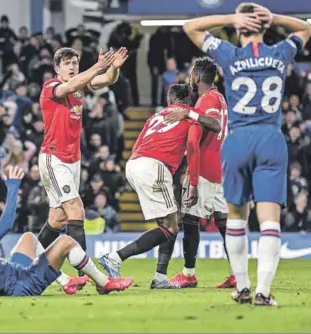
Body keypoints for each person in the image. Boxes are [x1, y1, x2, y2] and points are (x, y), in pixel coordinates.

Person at [181, 2, 311, 306]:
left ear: (239, 27)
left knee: (237, 219)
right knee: (270, 223)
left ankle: (242, 287)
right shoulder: (280, 53)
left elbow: (191, 27)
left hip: (237, 139)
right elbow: (306, 28)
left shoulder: (229, 54)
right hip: (270, 137)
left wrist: (230, 18)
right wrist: (276, 18)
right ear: (265, 27)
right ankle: (263, 293)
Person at [0, 167, 133, 296]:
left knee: (28, 238)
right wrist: (12, 188)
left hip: (13, 274)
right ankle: (104, 283)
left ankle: (65, 281)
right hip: (23, 285)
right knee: (66, 243)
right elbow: (6, 224)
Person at [99, 84, 221, 289]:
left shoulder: (155, 117)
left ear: (169, 100)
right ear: (187, 101)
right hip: (154, 166)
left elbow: (138, 143)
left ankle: (160, 277)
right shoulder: (189, 114)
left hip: (135, 163)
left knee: (168, 220)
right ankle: (116, 258)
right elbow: (215, 125)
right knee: (171, 225)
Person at [36, 47, 126, 260]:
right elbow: (69, 86)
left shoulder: (79, 87)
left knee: (57, 219)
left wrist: (113, 68)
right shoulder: (51, 86)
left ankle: (25, 259)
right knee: (76, 210)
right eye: (67, 63)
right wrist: (98, 65)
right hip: (54, 157)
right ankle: (84, 271)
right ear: (57, 68)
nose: (72, 66)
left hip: (72, 159)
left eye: (75, 63)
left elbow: (107, 80)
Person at [160, 57, 235, 289]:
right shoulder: (219, 97)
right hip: (221, 169)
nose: (189, 77)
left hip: (204, 172)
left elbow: (201, 136)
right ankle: (237, 273)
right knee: (224, 224)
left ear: (198, 77)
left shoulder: (208, 99)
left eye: (192, 73)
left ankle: (188, 274)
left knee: (191, 220)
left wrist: (192, 180)